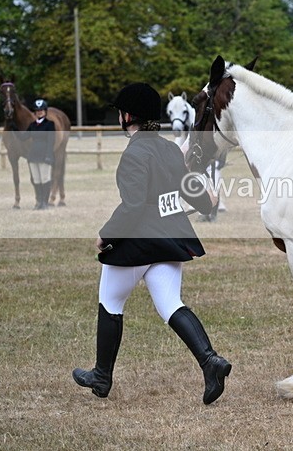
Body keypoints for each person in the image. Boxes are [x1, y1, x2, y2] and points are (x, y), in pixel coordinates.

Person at [72, 82, 232, 405]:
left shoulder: (133, 154)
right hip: (170, 240)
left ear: (128, 116)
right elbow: (187, 190)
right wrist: (206, 201)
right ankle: (210, 362)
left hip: (141, 243)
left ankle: (102, 376)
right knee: (171, 304)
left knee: (110, 301)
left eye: (121, 112)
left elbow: (133, 207)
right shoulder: (170, 149)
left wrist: (105, 234)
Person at [16, 99, 56, 209]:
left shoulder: (50, 125)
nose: (39, 112)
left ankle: (45, 202)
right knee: (37, 180)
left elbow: (51, 141)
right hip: (33, 155)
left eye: (42, 110)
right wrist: (14, 129)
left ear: (45, 111)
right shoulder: (32, 125)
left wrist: (49, 155)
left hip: (44, 154)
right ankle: (39, 201)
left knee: (44, 179)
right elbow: (24, 137)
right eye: (38, 111)